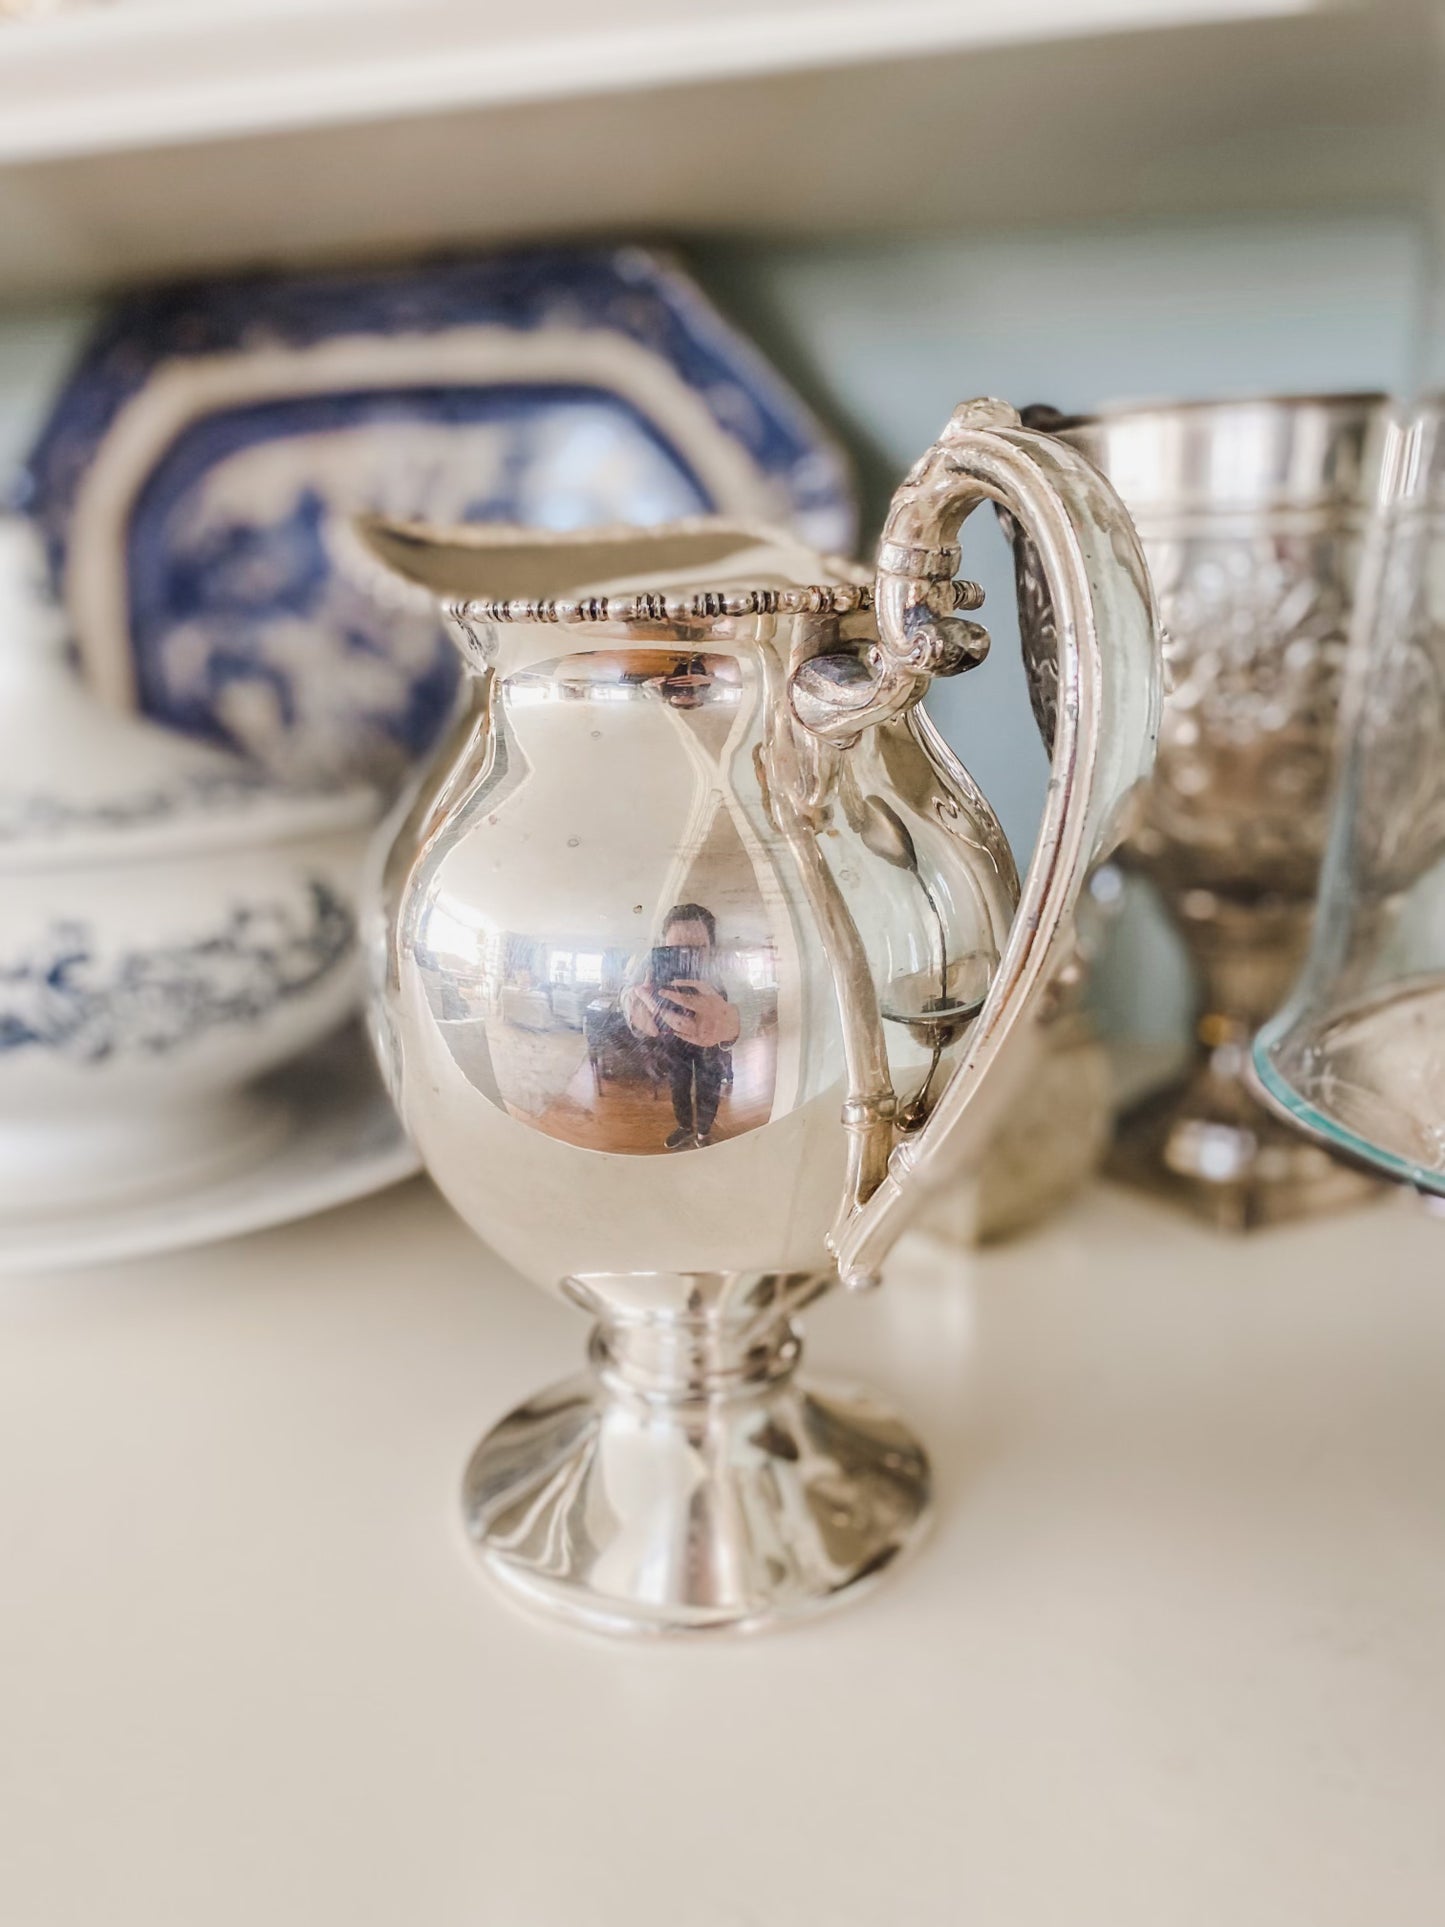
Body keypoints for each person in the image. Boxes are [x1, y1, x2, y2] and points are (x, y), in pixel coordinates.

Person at [620, 903, 740, 1149]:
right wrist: (633, 1010)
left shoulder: (726, 968)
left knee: (710, 1086)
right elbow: (625, 992)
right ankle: (685, 1127)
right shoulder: (650, 963)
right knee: (678, 1085)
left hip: (711, 1043)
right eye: (674, 949)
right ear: (663, 945)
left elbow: (748, 1000)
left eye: (697, 949)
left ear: (711, 948)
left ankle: (703, 1133)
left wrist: (734, 1025)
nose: (685, 955)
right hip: (672, 1039)